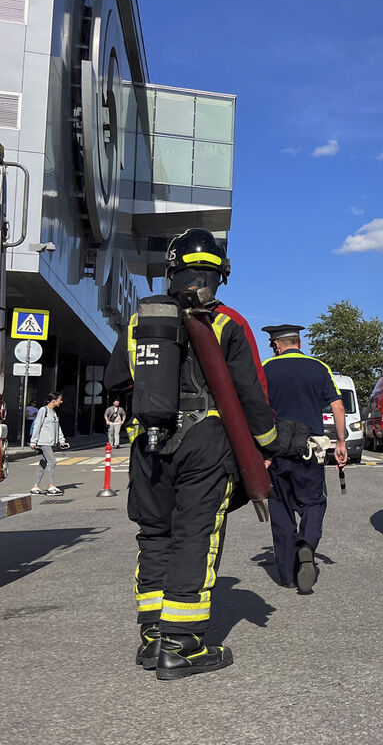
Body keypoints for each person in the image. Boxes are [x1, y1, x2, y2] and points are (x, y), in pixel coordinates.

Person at [104, 228, 280, 680]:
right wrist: (267, 447)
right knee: (195, 535)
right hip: (205, 440)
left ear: (172, 272)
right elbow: (252, 396)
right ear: (220, 275)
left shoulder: (140, 323)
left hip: (148, 441)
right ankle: (182, 646)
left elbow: (118, 383)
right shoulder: (228, 323)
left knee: (155, 535)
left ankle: (151, 638)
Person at [261, 324, 347, 594]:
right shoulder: (319, 367)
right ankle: (307, 545)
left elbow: (255, 409)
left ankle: (287, 575)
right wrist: (341, 442)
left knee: (281, 509)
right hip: (309, 450)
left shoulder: (265, 368)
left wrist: (259, 453)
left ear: (276, 345)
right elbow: (338, 405)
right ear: (299, 342)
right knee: (313, 503)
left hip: (275, 452)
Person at [29, 392, 69, 495]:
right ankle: (52, 487)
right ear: (53, 400)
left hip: (50, 442)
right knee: (52, 462)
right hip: (43, 442)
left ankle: (35, 487)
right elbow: (37, 425)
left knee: (43, 463)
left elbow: (57, 427)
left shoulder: (53, 412)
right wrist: (33, 441)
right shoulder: (43, 410)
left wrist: (62, 440)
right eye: (60, 399)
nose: (61, 401)